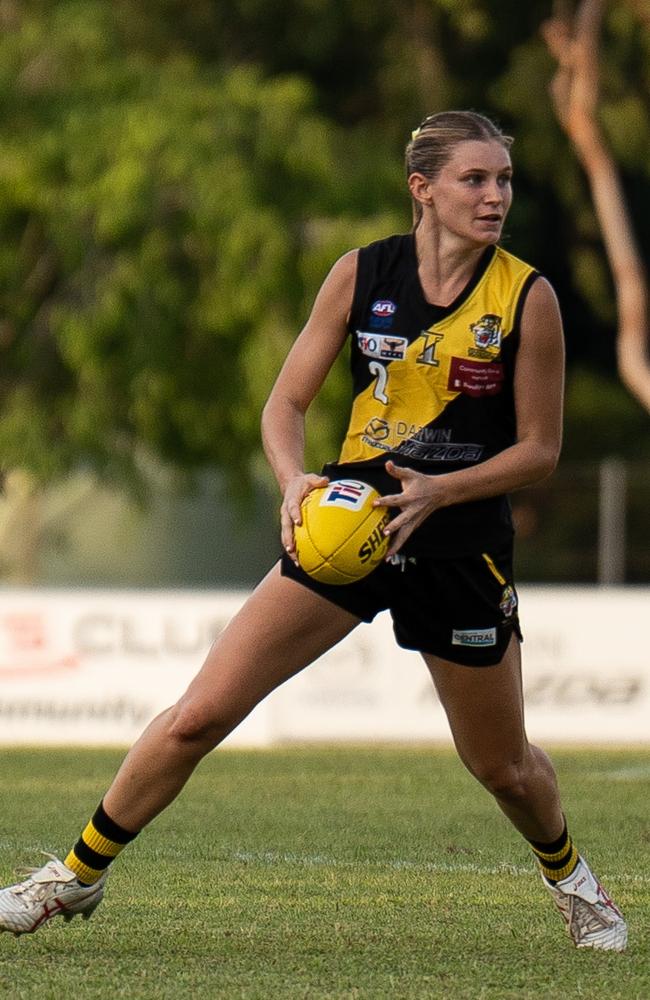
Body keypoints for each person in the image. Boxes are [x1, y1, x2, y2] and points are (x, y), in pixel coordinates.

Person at [0, 110, 626, 951]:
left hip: (458, 543)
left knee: (502, 767)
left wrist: (443, 491)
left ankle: (575, 882)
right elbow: (285, 404)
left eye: (503, 180)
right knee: (198, 714)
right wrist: (296, 479)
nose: (495, 196)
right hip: (351, 529)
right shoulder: (362, 272)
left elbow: (540, 451)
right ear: (424, 190)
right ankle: (73, 878)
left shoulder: (527, 296)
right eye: (475, 179)